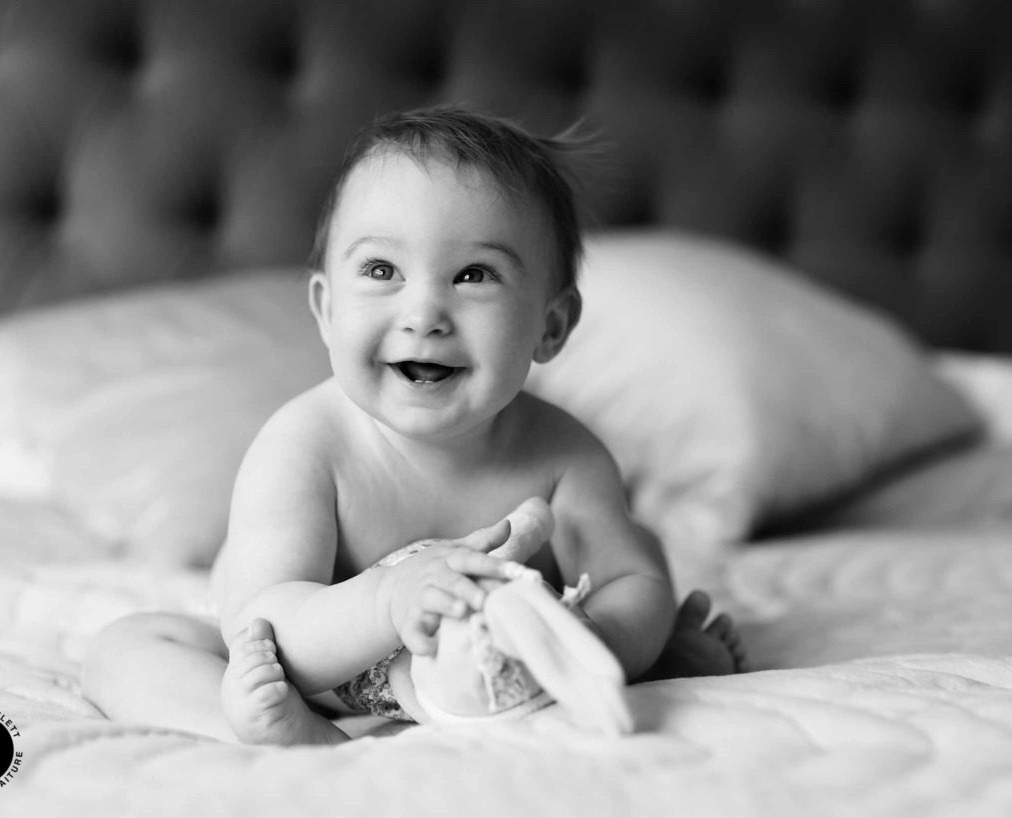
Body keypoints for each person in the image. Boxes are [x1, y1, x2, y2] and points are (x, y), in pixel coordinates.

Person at [82, 107, 743, 746]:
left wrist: (592, 643)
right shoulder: (306, 446)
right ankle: (270, 730)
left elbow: (633, 581)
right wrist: (389, 600)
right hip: (316, 670)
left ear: (550, 325)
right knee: (127, 649)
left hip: (485, 661)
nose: (424, 311)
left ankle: (624, 668)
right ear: (326, 307)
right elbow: (265, 623)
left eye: (474, 275)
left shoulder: (567, 457)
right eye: (381, 271)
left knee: (642, 561)